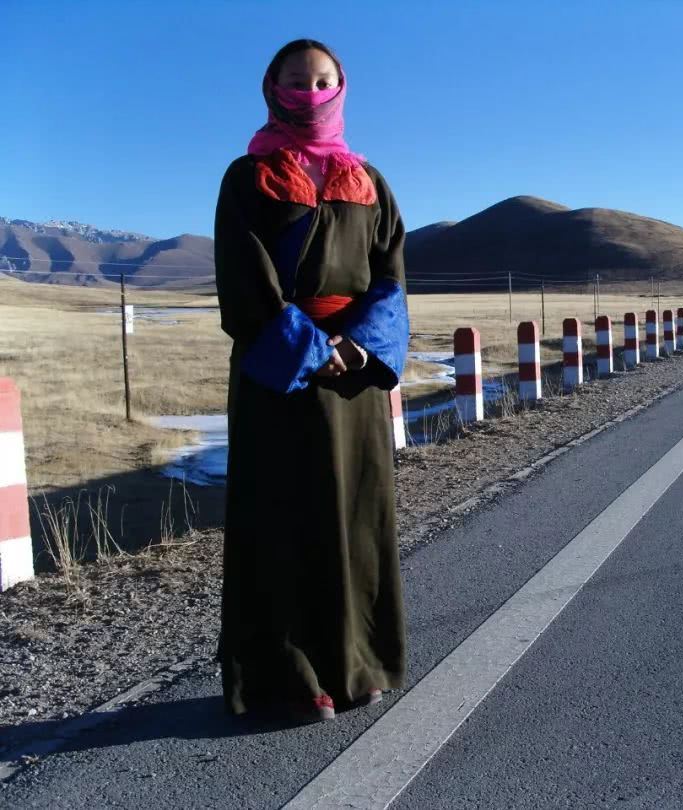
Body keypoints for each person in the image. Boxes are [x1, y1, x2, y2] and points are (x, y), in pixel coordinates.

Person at [213, 38, 409, 724]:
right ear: (273, 88)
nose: (311, 92)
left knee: (355, 516)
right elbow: (243, 278)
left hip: (353, 382)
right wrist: (307, 348)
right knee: (282, 517)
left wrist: (357, 348)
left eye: (323, 80)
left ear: (341, 88)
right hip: (279, 380)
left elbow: (390, 277)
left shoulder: (369, 181)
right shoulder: (248, 177)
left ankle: (358, 663)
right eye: (297, 80)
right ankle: (289, 677)